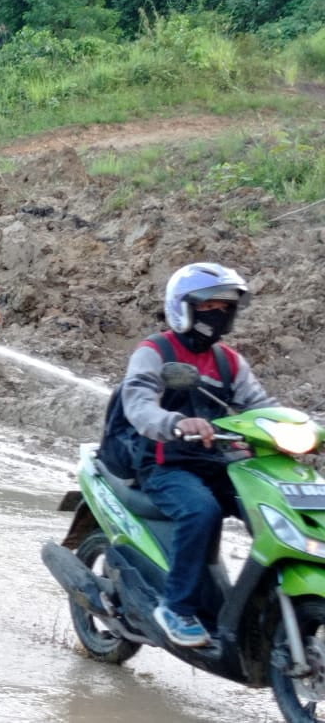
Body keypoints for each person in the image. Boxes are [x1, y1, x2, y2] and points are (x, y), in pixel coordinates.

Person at [121, 262, 276, 648]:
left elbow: (261, 404)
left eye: (227, 306)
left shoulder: (230, 361)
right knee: (200, 510)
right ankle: (177, 607)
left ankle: (270, 602)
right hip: (164, 462)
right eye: (210, 306)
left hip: (216, 461)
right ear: (184, 307)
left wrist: (297, 427)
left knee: (272, 505)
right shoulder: (154, 351)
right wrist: (176, 422)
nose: (219, 313)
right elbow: (138, 403)